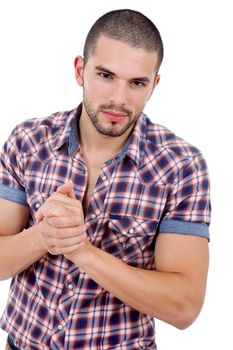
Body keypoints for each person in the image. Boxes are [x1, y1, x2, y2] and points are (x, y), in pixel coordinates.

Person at [0, 9, 211, 350]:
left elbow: (184, 306)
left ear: (153, 86)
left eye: (137, 83)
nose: (119, 99)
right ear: (80, 70)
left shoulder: (181, 165)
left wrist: (82, 251)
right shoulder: (28, 141)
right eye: (105, 75)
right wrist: (44, 235)